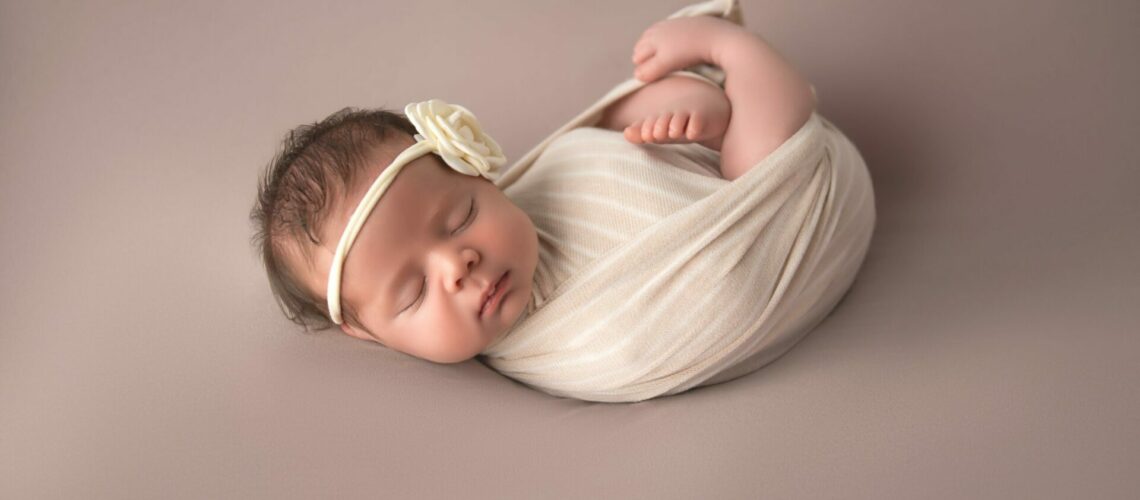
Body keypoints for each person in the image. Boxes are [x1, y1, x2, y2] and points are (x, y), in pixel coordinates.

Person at [250, 14, 820, 366]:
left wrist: (667, 125)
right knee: (749, 161)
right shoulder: (552, 350)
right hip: (754, 232)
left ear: (477, 171)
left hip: (731, 185)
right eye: (413, 293)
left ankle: (727, 53)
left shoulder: (549, 177)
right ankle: (730, 108)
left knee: (636, 126)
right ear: (369, 334)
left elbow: (592, 148)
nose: (458, 264)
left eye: (461, 216)